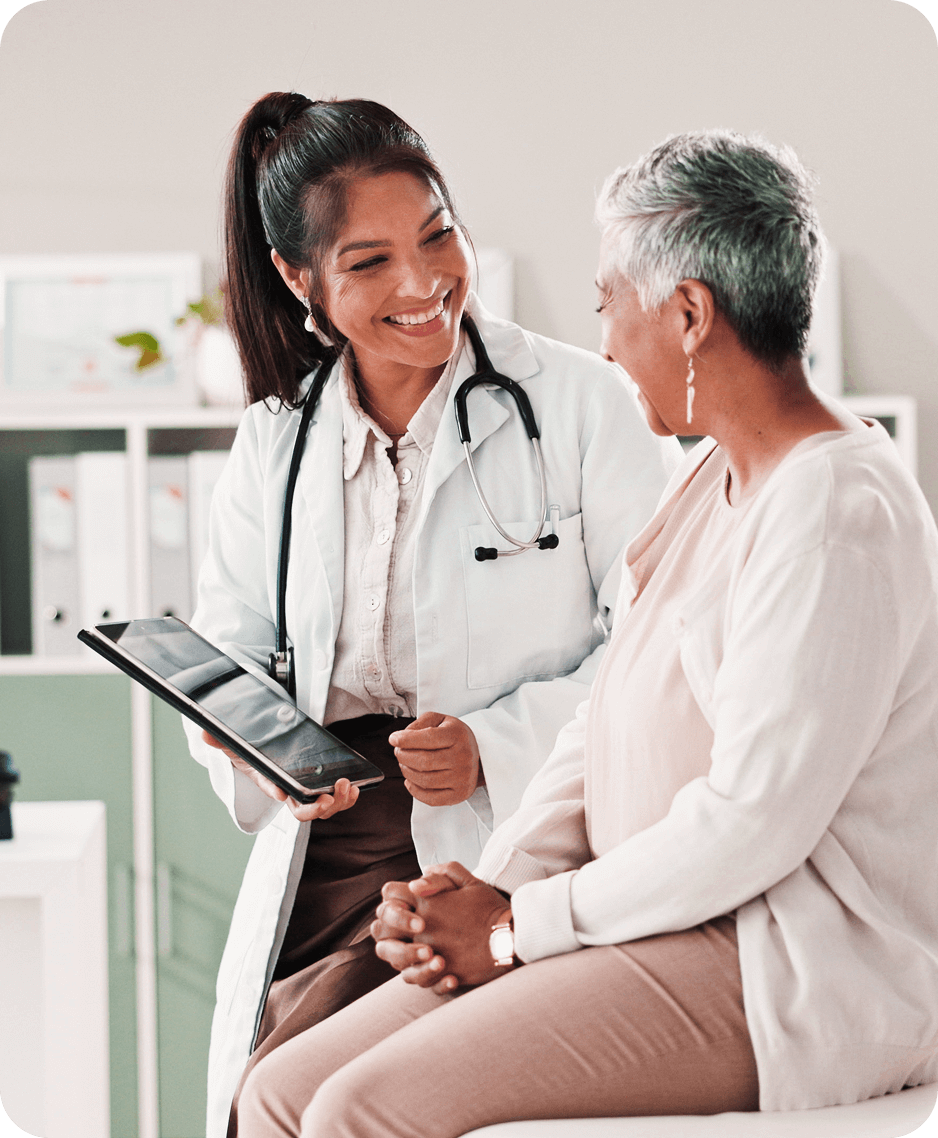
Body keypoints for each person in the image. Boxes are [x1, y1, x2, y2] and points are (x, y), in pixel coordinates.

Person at [235, 129, 938, 1137]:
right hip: (653, 919)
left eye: (611, 299)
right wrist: (485, 885)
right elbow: (602, 721)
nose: (603, 340)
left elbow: (752, 822)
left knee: (359, 1109)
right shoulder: (713, 477)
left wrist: (519, 928)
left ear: (688, 314)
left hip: (780, 959)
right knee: (277, 1091)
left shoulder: (834, 507)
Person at [185, 92, 680, 1138]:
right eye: (367, 264)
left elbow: (666, 644)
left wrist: (495, 743)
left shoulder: (585, 406)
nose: (422, 285)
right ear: (297, 279)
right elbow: (231, 650)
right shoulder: (275, 443)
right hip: (327, 857)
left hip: (506, 835)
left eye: (437, 235)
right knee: (270, 1090)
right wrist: (249, 745)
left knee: (331, 1098)